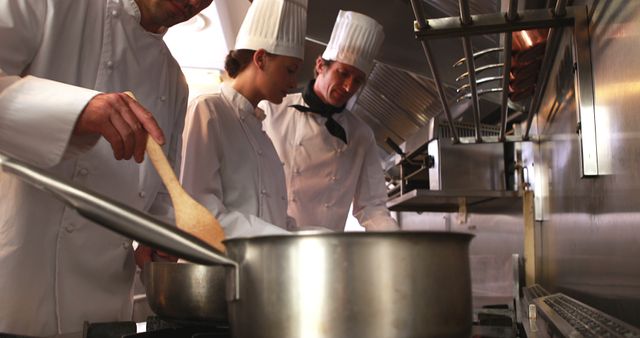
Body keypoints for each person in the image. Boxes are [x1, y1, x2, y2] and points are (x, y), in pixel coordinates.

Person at [0, 0, 213, 336]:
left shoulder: (174, 80)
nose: (193, 3)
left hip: (106, 313)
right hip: (15, 293)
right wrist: (77, 111)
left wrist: (156, 241)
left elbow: (159, 189)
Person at [261, 11, 400, 232]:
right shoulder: (270, 111)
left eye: (357, 81)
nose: (348, 87)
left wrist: (398, 244)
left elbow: (372, 207)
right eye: (343, 74)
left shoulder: (360, 134)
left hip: (325, 251)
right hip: (272, 242)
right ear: (320, 66)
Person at [180, 0, 307, 237]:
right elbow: (198, 211)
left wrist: (325, 239)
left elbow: (278, 222)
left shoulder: (263, 136)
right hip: (218, 270)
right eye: (290, 70)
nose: (292, 83)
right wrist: (281, 239)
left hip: (259, 269)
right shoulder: (209, 110)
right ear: (261, 59)